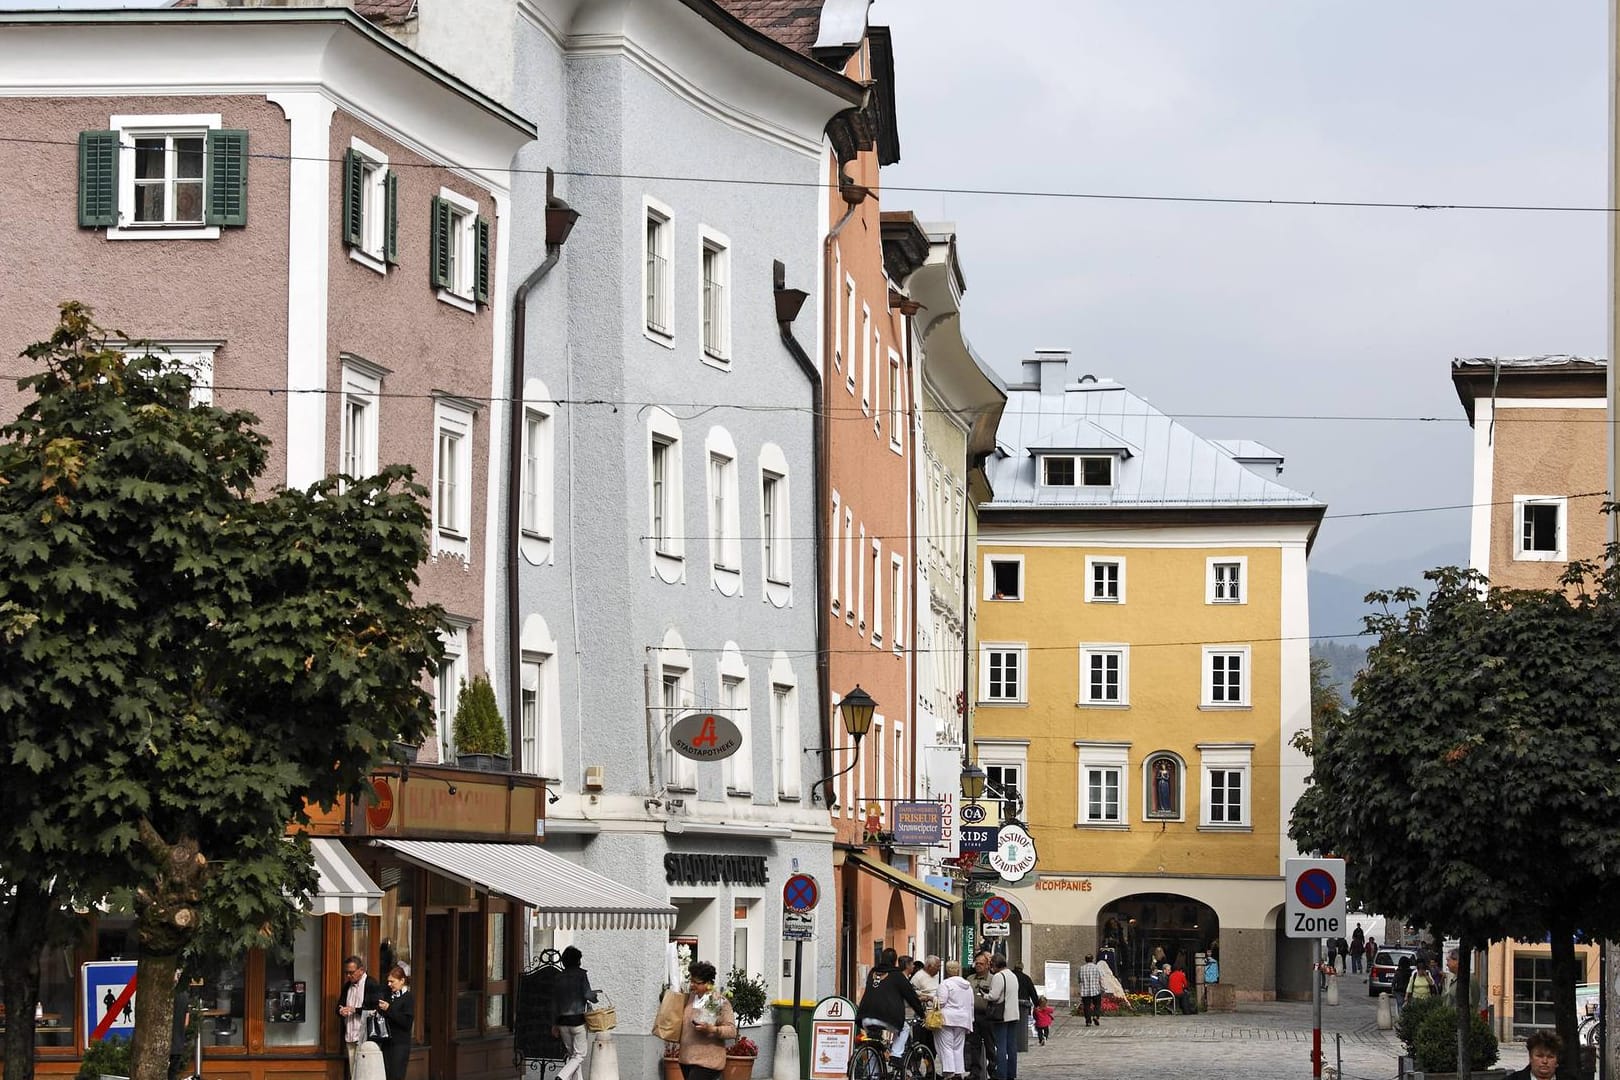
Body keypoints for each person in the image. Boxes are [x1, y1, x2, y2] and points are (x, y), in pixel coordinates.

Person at [857, 948, 926, 1063]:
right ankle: (896, 1055)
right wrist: (922, 1015)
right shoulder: (897, 975)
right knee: (904, 1027)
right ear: (895, 961)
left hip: (865, 1017)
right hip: (886, 1017)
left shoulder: (872, 972)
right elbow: (912, 997)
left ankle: (873, 1075)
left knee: (874, 1045)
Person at [676, 961, 736, 1080]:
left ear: (708, 983)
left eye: (696, 982)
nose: (692, 985)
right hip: (686, 1059)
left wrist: (712, 1029)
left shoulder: (718, 1001)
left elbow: (732, 1031)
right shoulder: (689, 998)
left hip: (708, 1062)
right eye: (691, 981)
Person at [548, 946, 600, 1080]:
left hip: (562, 1022)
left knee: (573, 1057)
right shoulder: (581, 975)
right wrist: (594, 997)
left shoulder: (558, 978)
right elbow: (588, 995)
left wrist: (554, 1024)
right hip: (578, 1021)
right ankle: (561, 1076)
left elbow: (554, 1003)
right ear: (577, 961)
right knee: (579, 1056)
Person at [337, 956, 385, 1080]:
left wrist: (354, 1010)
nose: (348, 976)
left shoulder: (371, 984)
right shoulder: (347, 986)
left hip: (365, 1035)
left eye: (351, 972)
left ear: (361, 970)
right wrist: (341, 1010)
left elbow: (377, 1008)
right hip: (350, 1035)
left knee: (364, 1072)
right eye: (346, 972)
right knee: (354, 1071)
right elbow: (338, 1006)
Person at [935, 960, 975, 1080]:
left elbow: (941, 1002)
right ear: (958, 970)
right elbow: (971, 1003)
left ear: (947, 970)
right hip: (963, 1020)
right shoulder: (967, 986)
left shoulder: (945, 984)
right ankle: (958, 1072)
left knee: (946, 1046)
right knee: (958, 1046)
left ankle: (949, 1072)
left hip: (947, 1019)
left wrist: (932, 999)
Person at [374, 966, 414, 1080]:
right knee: (386, 1075)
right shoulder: (389, 995)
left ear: (402, 981)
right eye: (388, 981)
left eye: (392, 981)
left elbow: (406, 1023)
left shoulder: (408, 998)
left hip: (400, 1045)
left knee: (396, 1075)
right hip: (387, 1042)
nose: (389, 984)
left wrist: (389, 1009)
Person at [986, 954, 1020, 1080]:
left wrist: (984, 995)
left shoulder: (998, 977)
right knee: (1011, 1046)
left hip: (1002, 1014)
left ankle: (1001, 1074)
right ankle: (1011, 1073)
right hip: (1013, 1014)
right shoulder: (1012, 975)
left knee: (1001, 1046)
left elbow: (994, 996)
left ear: (994, 965)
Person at [1076, 955, 1102, 1027]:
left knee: (1086, 1006)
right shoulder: (1097, 968)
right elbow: (1100, 978)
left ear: (1085, 960)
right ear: (1092, 959)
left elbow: (1079, 980)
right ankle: (1096, 1016)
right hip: (1095, 989)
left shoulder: (1081, 968)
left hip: (1085, 990)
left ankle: (1088, 1021)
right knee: (1097, 1004)